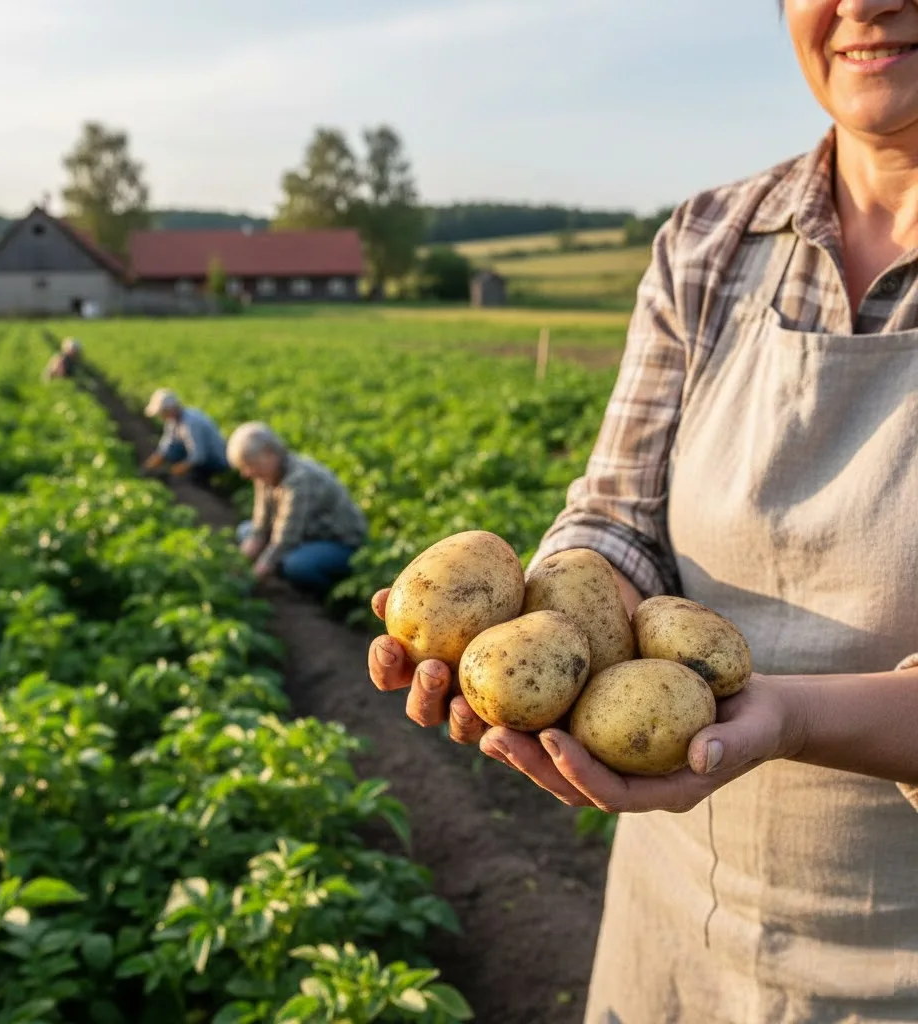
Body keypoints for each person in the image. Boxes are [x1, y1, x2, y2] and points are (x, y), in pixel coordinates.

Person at [368, 2, 918, 1021]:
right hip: (676, 935)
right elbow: (616, 517)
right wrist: (554, 615)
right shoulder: (707, 241)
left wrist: (788, 713)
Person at [227, 421, 367, 596]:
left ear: (270, 453)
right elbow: (259, 529)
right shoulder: (265, 476)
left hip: (339, 542)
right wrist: (233, 570)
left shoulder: (299, 479)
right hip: (306, 535)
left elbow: (285, 539)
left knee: (296, 565)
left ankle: (328, 595)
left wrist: (249, 580)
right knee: (245, 531)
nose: (246, 474)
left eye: (249, 465)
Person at [141, 388, 229, 485]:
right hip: (201, 455)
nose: (161, 417)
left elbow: (198, 456)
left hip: (215, 459)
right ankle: (192, 474)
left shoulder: (191, 422)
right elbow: (166, 447)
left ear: (170, 409)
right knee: (173, 450)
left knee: (186, 462)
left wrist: (174, 470)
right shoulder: (173, 421)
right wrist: (148, 466)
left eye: (162, 413)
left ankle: (202, 478)